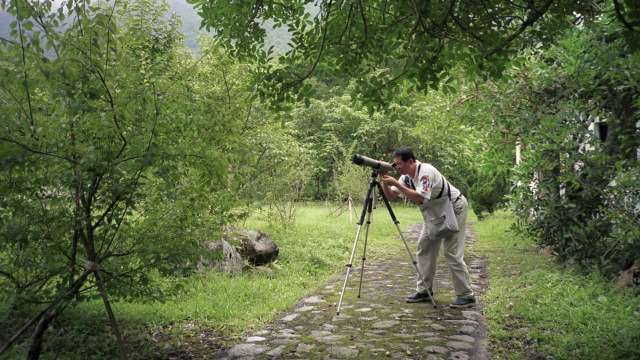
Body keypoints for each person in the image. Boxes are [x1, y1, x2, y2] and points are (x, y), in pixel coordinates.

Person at [380, 146, 475, 308]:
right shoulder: (406, 177)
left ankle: (466, 295)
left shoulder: (426, 171)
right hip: (436, 213)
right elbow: (390, 196)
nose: (396, 168)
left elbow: (420, 198)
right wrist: (383, 180)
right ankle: (424, 290)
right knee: (424, 247)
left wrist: (397, 183)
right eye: (394, 165)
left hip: (454, 207)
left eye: (399, 164)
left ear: (410, 161)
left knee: (451, 252)